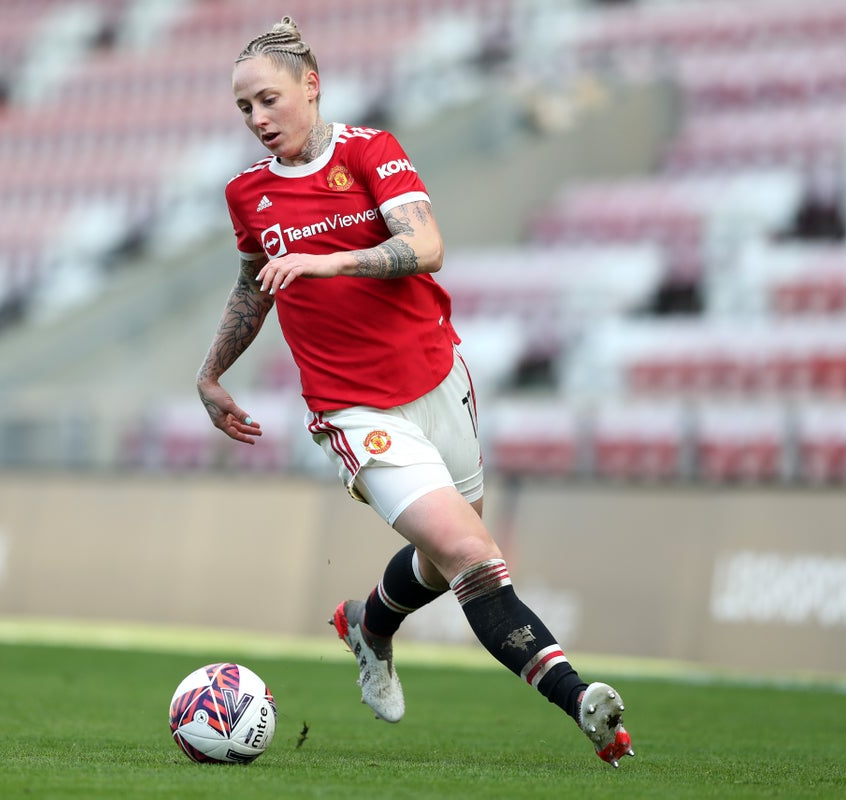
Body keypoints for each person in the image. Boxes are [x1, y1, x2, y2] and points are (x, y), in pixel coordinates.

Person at [195, 16, 635, 768]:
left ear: (311, 84)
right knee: (470, 551)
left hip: (439, 382)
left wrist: (325, 263)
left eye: (268, 100)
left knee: (443, 561)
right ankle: (582, 699)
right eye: (244, 109)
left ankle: (369, 624)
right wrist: (211, 373)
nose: (258, 120)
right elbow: (253, 283)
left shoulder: (371, 151)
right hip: (354, 410)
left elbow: (426, 246)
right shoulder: (248, 195)